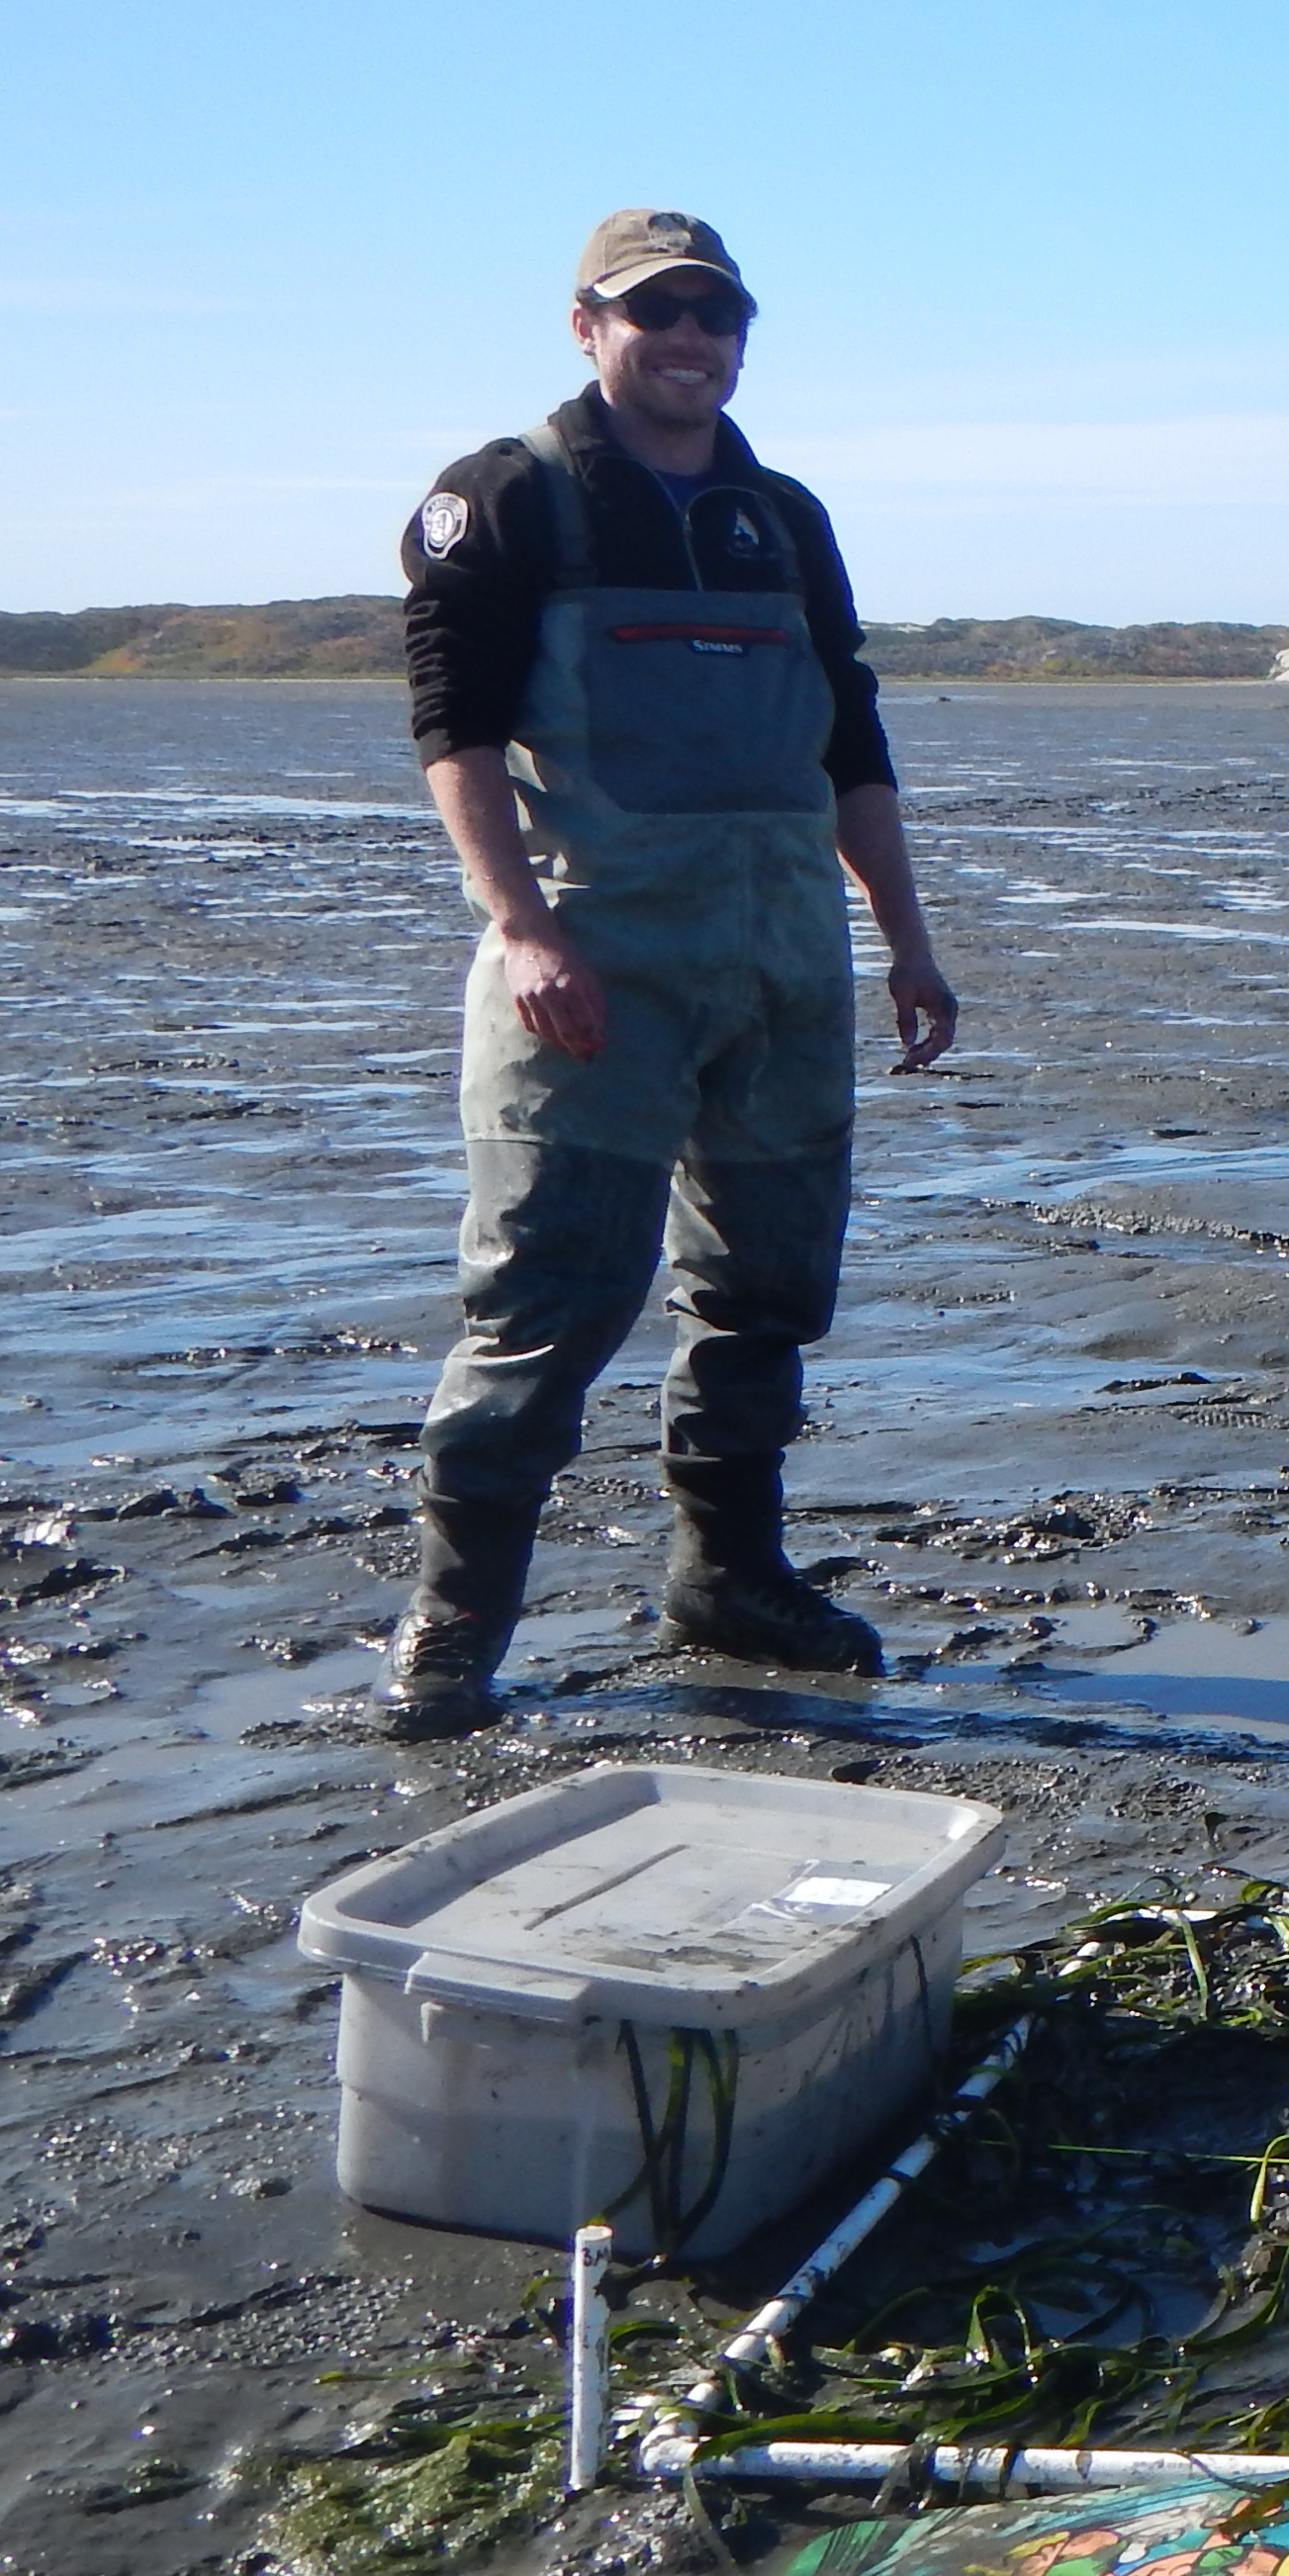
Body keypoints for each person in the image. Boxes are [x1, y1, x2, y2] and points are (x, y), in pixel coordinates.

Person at [383, 209, 959, 1739]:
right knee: (546, 1301)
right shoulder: (503, 498)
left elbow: (853, 741)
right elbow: (452, 731)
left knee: (765, 1290)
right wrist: (522, 927)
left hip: (780, 967)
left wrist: (905, 940)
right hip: (590, 967)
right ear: (588, 327)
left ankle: (728, 1576)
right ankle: (454, 1633)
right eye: (656, 315)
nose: (690, 341)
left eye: (715, 315)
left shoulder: (785, 515)